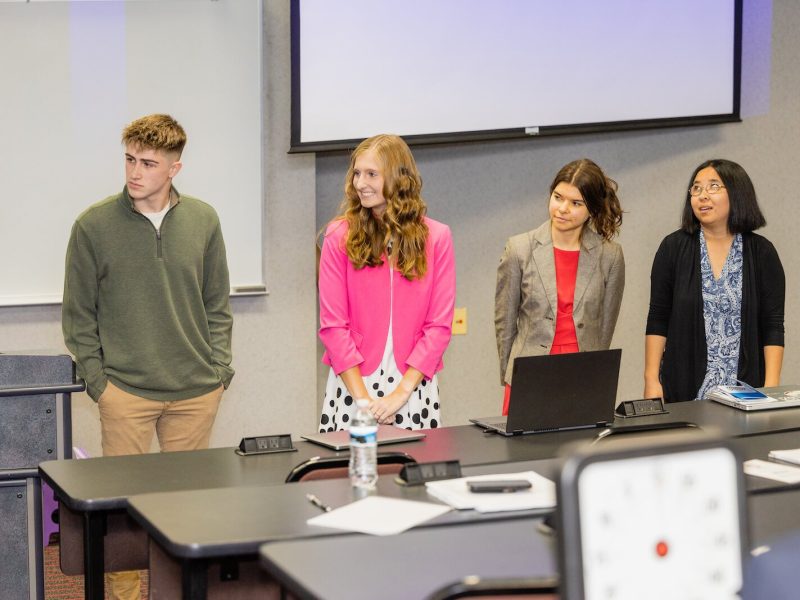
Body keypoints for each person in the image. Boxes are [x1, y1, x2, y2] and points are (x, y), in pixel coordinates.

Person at [62, 114, 234, 599]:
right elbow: (77, 316)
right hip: (126, 393)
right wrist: (101, 384)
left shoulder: (204, 219)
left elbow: (217, 303)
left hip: (196, 390)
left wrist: (220, 371)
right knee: (123, 515)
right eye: (130, 159)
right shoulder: (93, 226)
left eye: (148, 163)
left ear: (175, 167)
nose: (135, 172)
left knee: (186, 509)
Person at [317, 134, 456, 431]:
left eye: (371, 174)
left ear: (398, 178)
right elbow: (332, 326)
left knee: (414, 473)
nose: (360, 183)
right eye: (356, 173)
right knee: (351, 476)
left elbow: (439, 327)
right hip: (353, 388)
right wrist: (365, 401)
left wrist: (400, 394)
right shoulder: (338, 235)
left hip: (413, 387)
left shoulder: (437, 238)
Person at [644, 159, 785, 402]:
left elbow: (772, 325)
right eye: (696, 189)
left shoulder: (761, 252)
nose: (702, 196)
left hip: (747, 390)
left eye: (713, 187)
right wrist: (651, 380)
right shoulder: (673, 248)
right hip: (684, 388)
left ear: (738, 192)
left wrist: (771, 387)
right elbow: (658, 318)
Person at [495, 159, 624, 414]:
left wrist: (594, 371)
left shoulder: (610, 255)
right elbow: (505, 323)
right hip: (529, 373)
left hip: (584, 375)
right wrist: (511, 374)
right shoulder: (519, 248)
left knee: (580, 448)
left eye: (576, 203)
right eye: (558, 197)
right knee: (526, 453)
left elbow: (605, 327)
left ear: (592, 209)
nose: (563, 209)